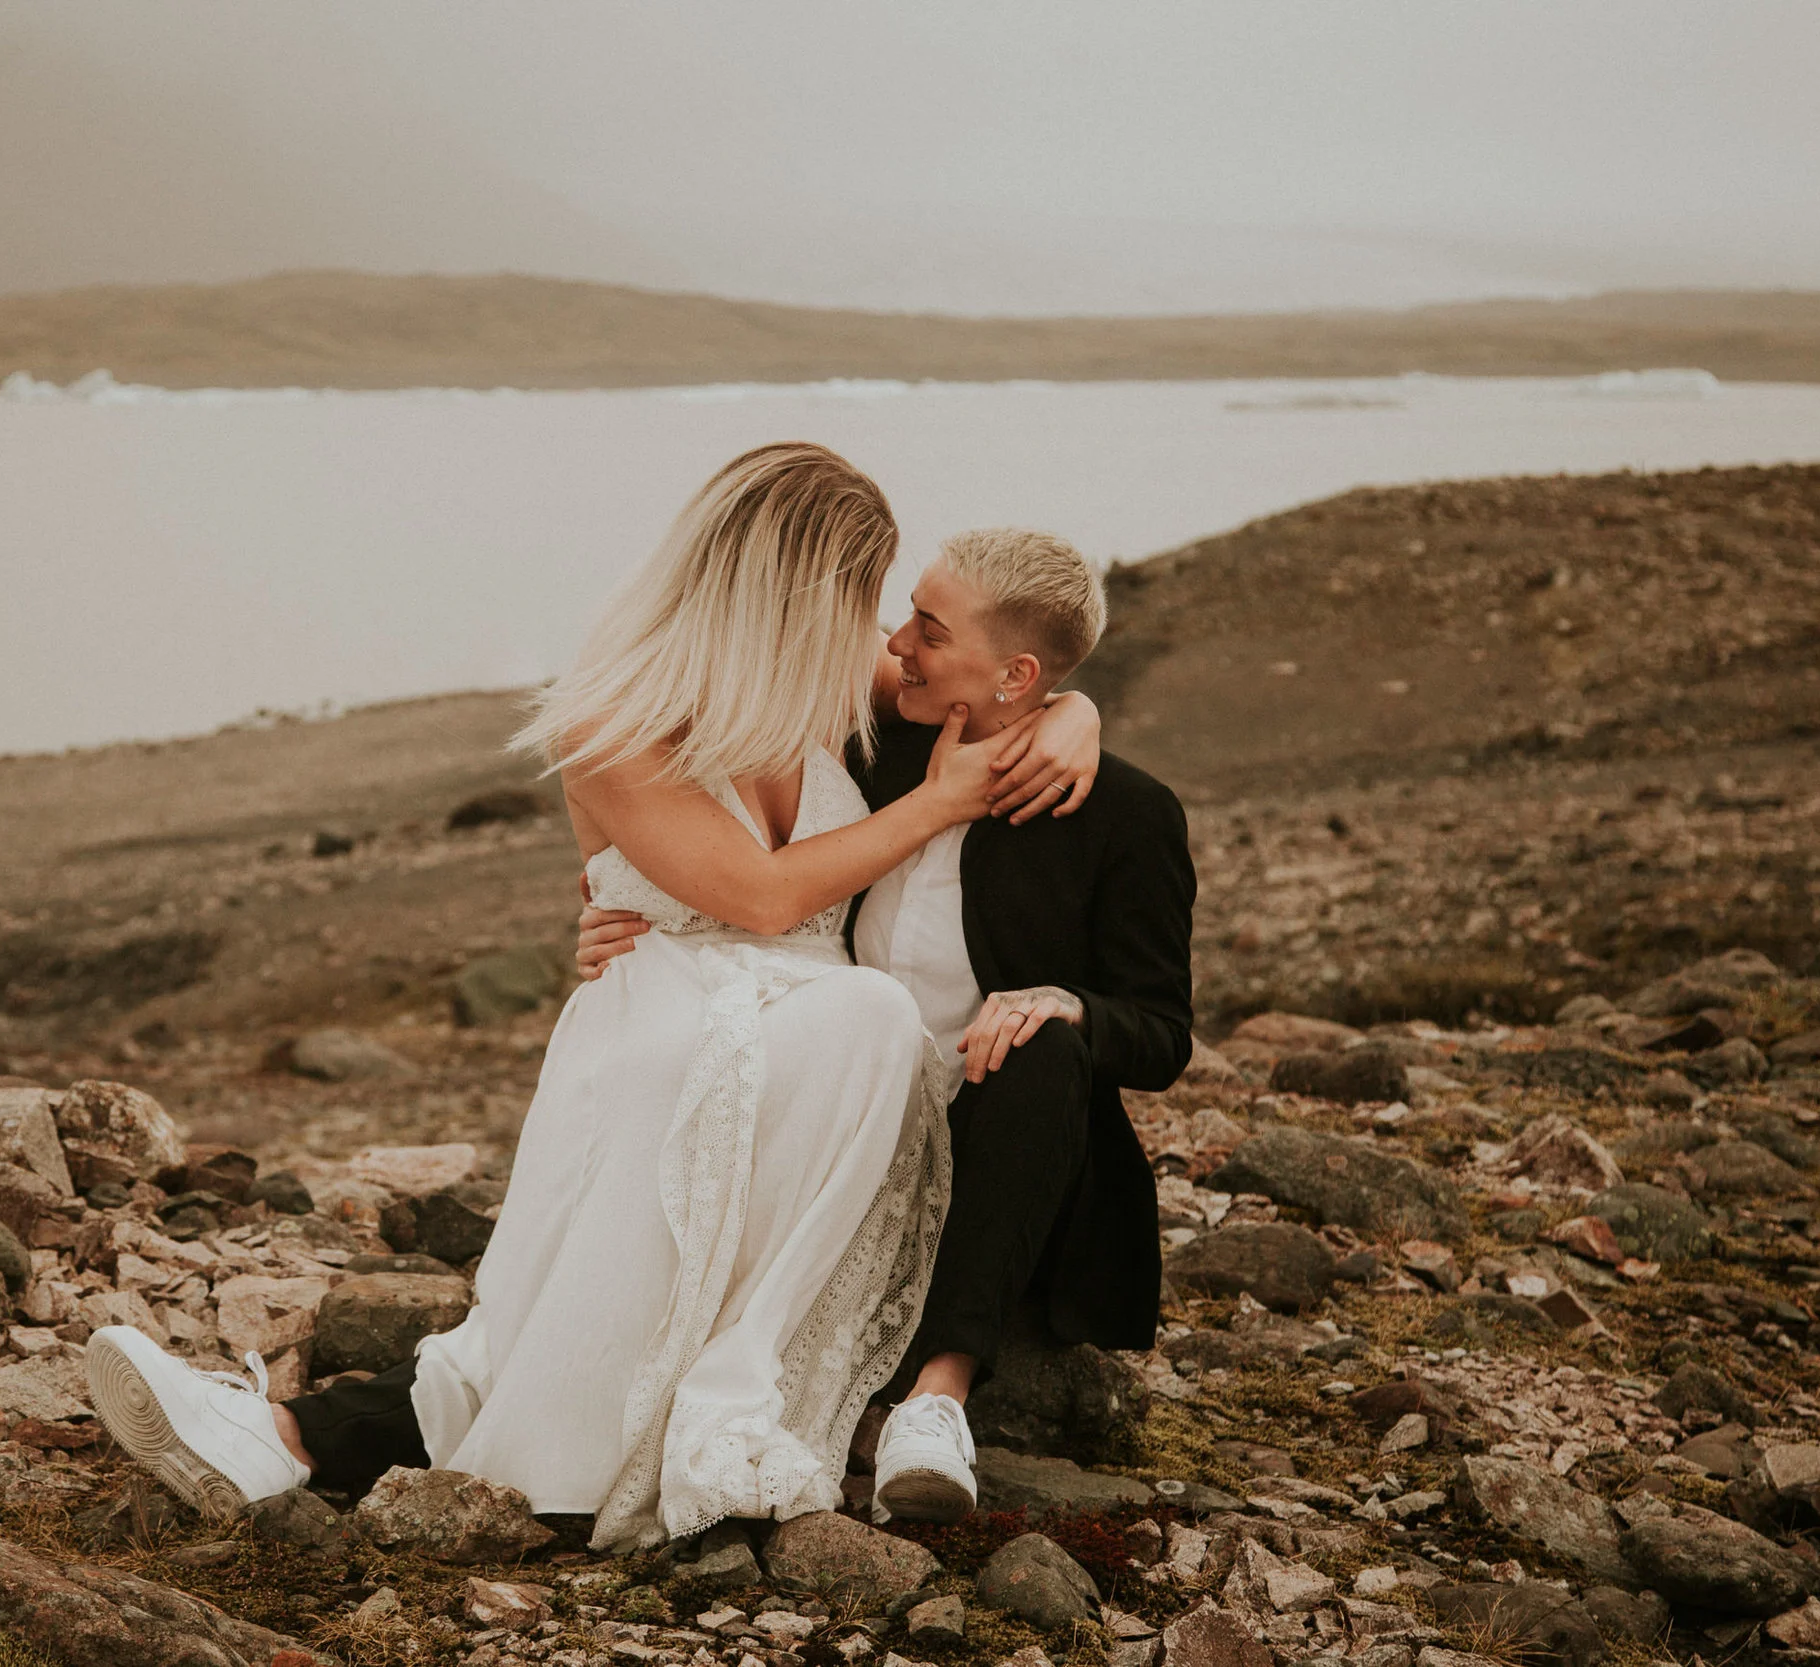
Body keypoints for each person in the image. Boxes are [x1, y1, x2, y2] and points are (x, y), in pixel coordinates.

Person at [83, 443, 1104, 1550]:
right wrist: (936, 803)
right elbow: (761, 896)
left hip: (820, 1070)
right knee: (581, 1297)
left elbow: (1004, 686)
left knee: (869, 1020)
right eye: (860, 598)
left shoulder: (823, 674)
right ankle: (285, 1436)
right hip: (664, 1025)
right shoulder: (615, 721)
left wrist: (1077, 713)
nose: (884, 635)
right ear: (791, 593)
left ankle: (286, 1437)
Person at [577, 526, 1195, 1524]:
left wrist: (1069, 1002)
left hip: (1002, 1145)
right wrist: (625, 910)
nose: (896, 642)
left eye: (928, 629)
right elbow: (734, 843)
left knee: (1041, 1043)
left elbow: (1163, 1031)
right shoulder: (871, 747)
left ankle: (934, 1405)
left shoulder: (1126, 812)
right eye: (906, 614)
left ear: (1016, 674)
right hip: (836, 1131)